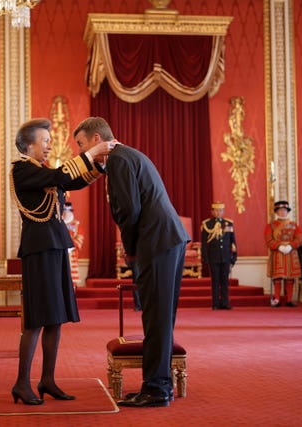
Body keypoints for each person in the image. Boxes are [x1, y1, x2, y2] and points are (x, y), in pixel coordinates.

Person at [73, 116, 189, 408]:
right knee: (160, 316)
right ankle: (159, 384)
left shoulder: (118, 161)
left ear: (97, 139)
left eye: (81, 144)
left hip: (157, 241)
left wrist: (130, 249)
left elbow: (128, 210)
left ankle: (157, 389)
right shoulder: (128, 155)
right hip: (166, 239)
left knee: (156, 317)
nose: (80, 151)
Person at [10, 118, 112, 406]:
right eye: (45, 140)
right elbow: (59, 176)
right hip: (38, 249)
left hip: (55, 246)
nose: (49, 144)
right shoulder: (21, 170)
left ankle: (47, 380)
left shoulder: (44, 172)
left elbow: (70, 179)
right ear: (28, 145)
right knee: (36, 320)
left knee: (55, 319)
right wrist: (91, 153)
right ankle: (21, 383)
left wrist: (99, 163)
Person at [265, 201, 302, 307]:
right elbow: (268, 239)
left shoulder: (294, 225)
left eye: (285, 210)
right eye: (280, 210)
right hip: (278, 253)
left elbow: (299, 237)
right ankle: (277, 299)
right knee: (277, 277)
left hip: (291, 252)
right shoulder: (271, 225)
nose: (283, 212)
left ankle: (289, 299)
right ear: (277, 212)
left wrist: (292, 245)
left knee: (290, 277)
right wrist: (279, 246)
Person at [201, 201, 237, 310]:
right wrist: (205, 257)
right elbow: (203, 243)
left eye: (220, 210)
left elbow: (233, 242)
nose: (218, 212)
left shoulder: (228, 223)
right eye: (216, 210)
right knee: (215, 281)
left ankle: (225, 303)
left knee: (225, 281)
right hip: (214, 257)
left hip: (225, 256)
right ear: (212, 212)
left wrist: (234, 256)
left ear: (223, 211)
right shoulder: (207, 224)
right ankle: (215, 303)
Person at [62, 202, 83, 288]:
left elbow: (80, 238)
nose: (67, 212)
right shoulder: (59, 223)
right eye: (65, 210)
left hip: (72, 253)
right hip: (61, 251)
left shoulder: (76, 224)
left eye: (69, 210)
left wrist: (71, 245)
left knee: (72, 278)